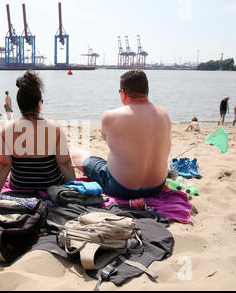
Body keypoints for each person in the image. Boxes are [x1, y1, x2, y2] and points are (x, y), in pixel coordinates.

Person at [72, 70, 171, 200]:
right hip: (156, 187)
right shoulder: (164, 114)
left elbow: (106, 139)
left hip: (121, 188)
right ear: (147, 91)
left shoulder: (111, 116)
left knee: (76, 154)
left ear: (123, 93)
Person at [0, 70, 76, 192]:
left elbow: (5, 165)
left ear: (19, 104)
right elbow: (65, 163)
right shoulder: (55, 128)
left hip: (19, 188)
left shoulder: (5, 130)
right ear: (39, 104)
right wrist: (75, 190)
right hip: (51, 187)